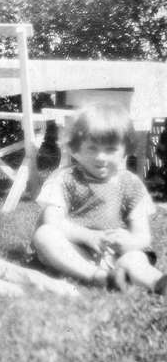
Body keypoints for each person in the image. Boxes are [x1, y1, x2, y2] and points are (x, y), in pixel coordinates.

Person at [32, 102, 167, 294]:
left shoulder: (131, 183)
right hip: (76, 249)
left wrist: (129, 242)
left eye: (110, 149)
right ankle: (100, 278)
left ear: (126, 150)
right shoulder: (65, 179)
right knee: (45, 234)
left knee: (135, 259)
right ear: (76, 150)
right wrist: (88, 236)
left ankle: (157, 282)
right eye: (92, 148)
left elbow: (143, 236)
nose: (101, 157)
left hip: (117, 252)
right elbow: (52, 221)